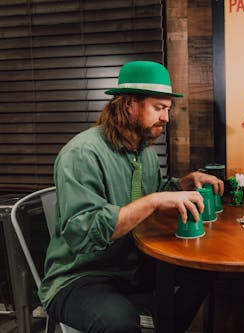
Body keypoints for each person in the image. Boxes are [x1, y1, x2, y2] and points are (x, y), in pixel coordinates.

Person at [38, 60, 224, 333]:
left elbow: (155, 193)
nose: (166, 118)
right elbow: (83, 232)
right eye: (159, 108)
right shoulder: (81, 154)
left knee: (203, 272)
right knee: (120, 322)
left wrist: (182, 184)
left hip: (130, 264)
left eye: (167, 109)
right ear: (128, 105)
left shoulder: (144, 151)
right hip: (80, 275)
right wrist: (153, 202)